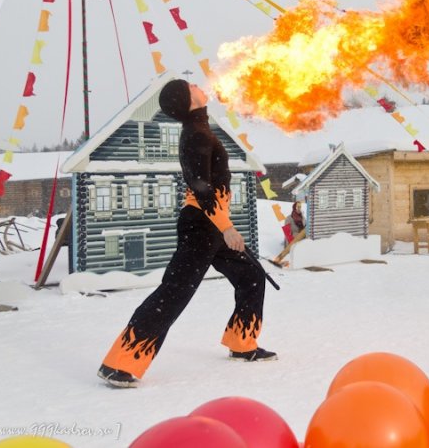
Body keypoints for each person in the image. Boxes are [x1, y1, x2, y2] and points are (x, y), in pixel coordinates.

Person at [97, 79, 276, 388]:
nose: (197, 83)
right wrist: (227, 228)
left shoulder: (200, 131)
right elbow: (201, 189)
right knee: (174, 292)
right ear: (187, 99)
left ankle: (242, 342)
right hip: (202, 225)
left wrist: (223, 226)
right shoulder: (196, 135)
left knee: (250, 276)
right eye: (190, 85)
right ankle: (120, 362)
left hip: (211, 223)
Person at [270, 201, 307, 267]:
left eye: (300, 207)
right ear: (294, 208)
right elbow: (287, 233)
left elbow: (306, 229)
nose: (299, 208)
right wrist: (298, 235)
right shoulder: (288, 219)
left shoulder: (303, 218)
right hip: (291, 243)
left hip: (302, 243)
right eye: (298, 207)